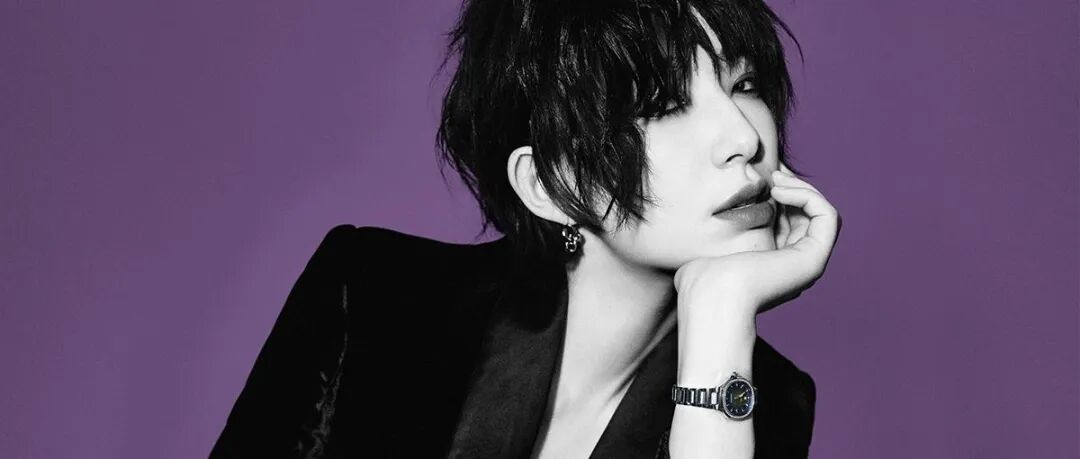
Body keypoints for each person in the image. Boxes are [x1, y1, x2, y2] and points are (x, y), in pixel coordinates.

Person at [210, 0, 841, 457]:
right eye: (664, 105)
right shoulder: (371, 299)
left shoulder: (753, 393)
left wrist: (721, 313)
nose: (743, 137)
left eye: (744, 84)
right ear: (549, 184)